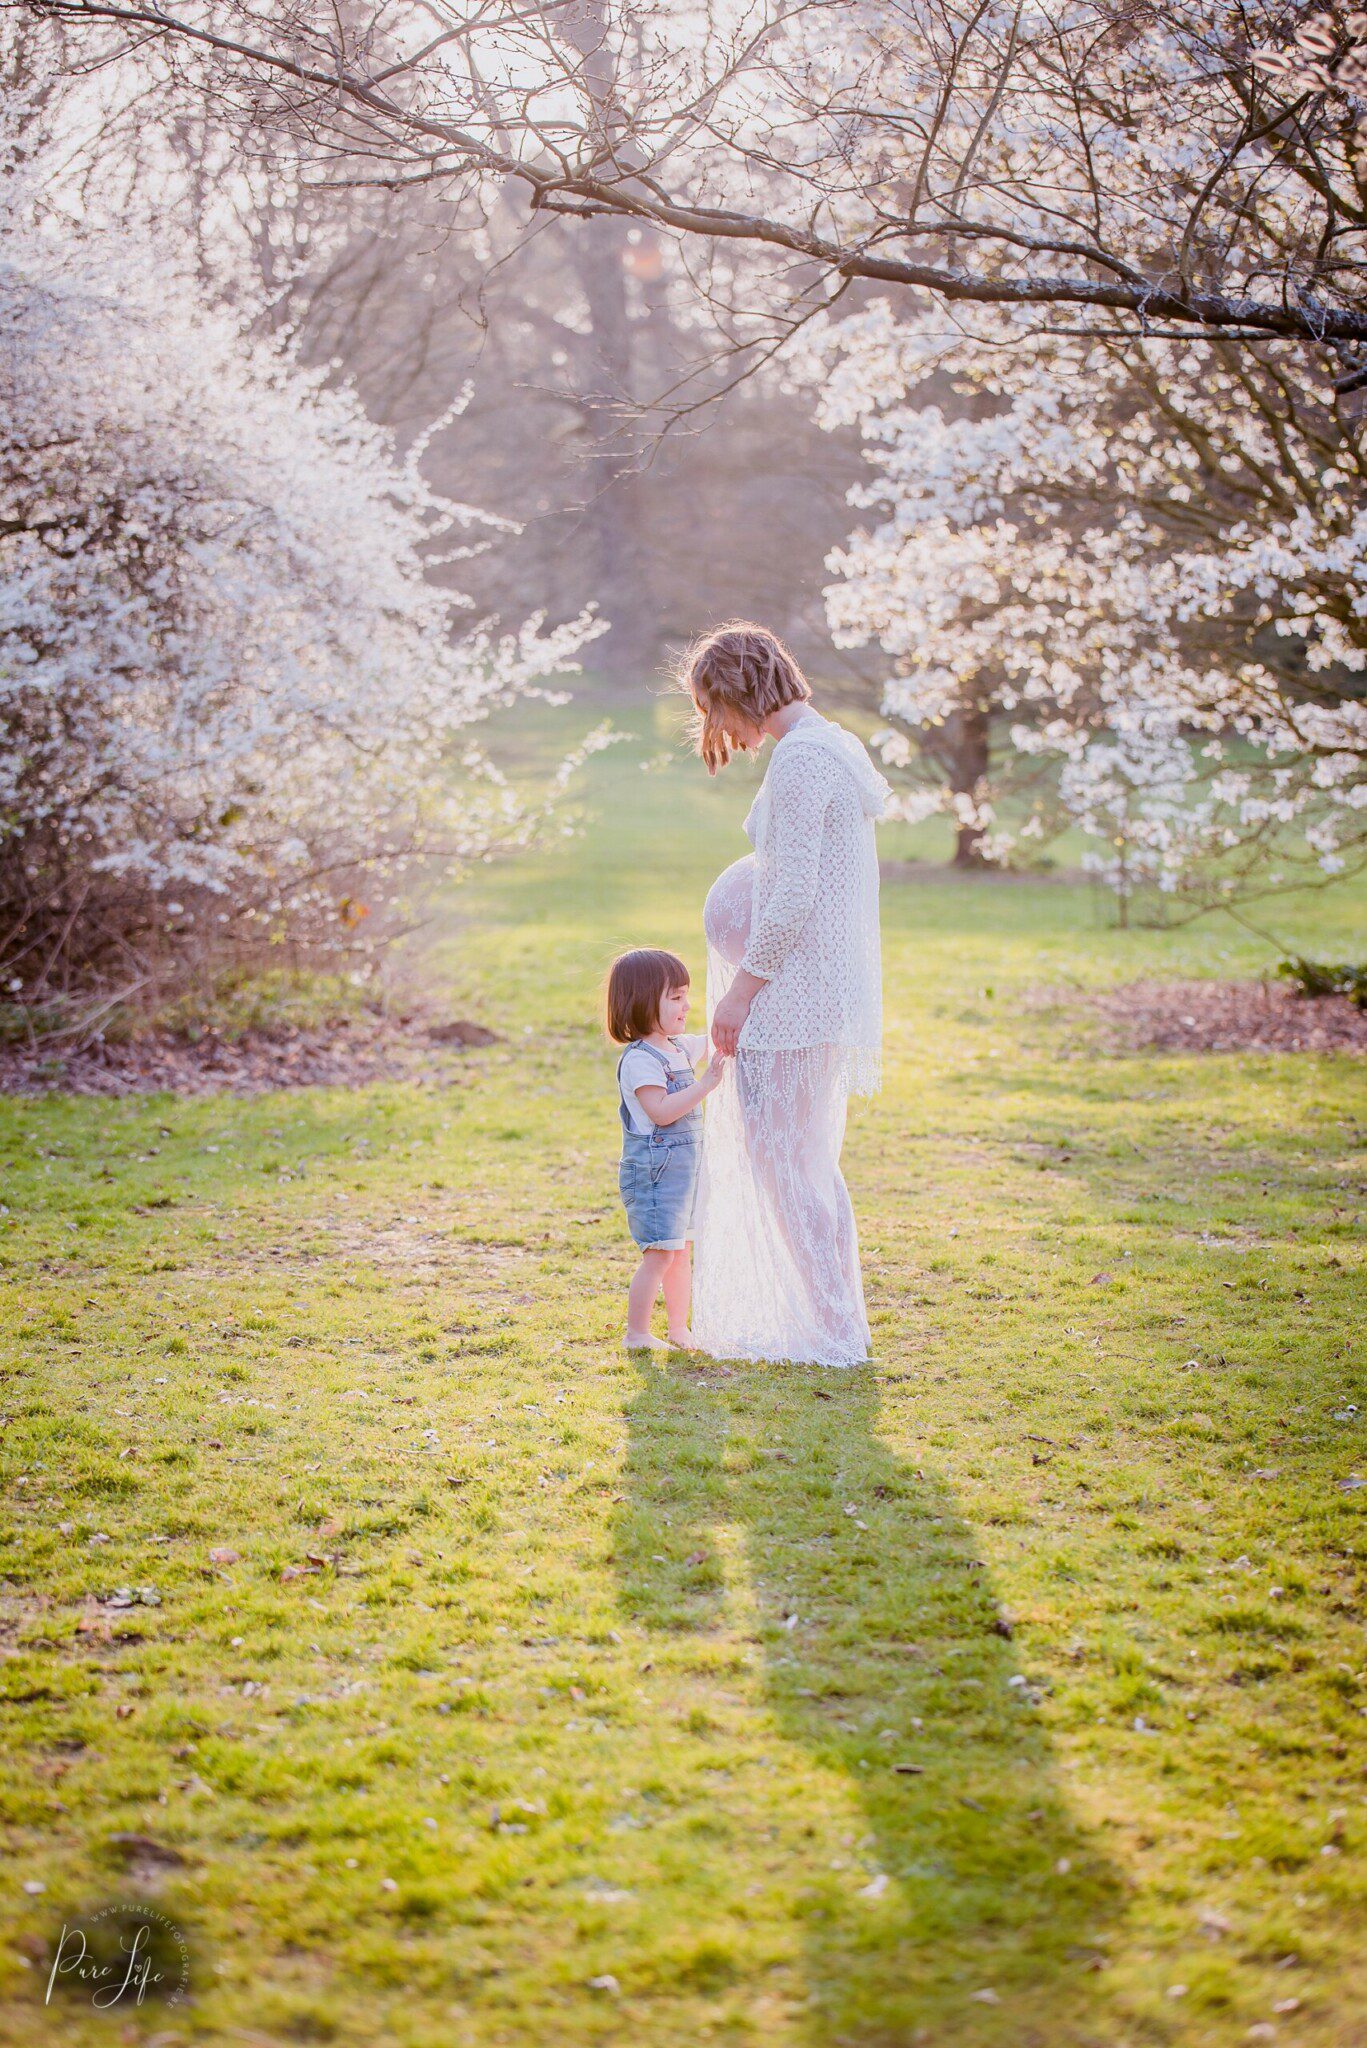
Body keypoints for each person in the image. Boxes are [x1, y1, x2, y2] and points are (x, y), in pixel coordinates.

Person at [681, 622, 890, 1368]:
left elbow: (795, 892)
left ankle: (831, 1329)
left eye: (713, 707)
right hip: (815, 988)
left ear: (736, 692)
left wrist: (741, 992)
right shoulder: (829, 742)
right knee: (803, 1160)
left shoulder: (801, 760)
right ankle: (835, 1322)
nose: (715, 727)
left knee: (784, 1162)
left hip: (792, 993)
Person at [606, 947, 728, 1351]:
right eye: (675, 997)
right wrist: (705, 1085)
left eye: (686, 995)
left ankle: (679, 1329)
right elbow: (660, 1112)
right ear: (642, 1002)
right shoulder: (641, 1060)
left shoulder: (675, 1047)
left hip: (681, 1174)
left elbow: (711, 1043)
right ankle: (637, 1334)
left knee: (680, 1253)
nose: (685, 1005)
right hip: (655, 1175)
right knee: (659, 1255)